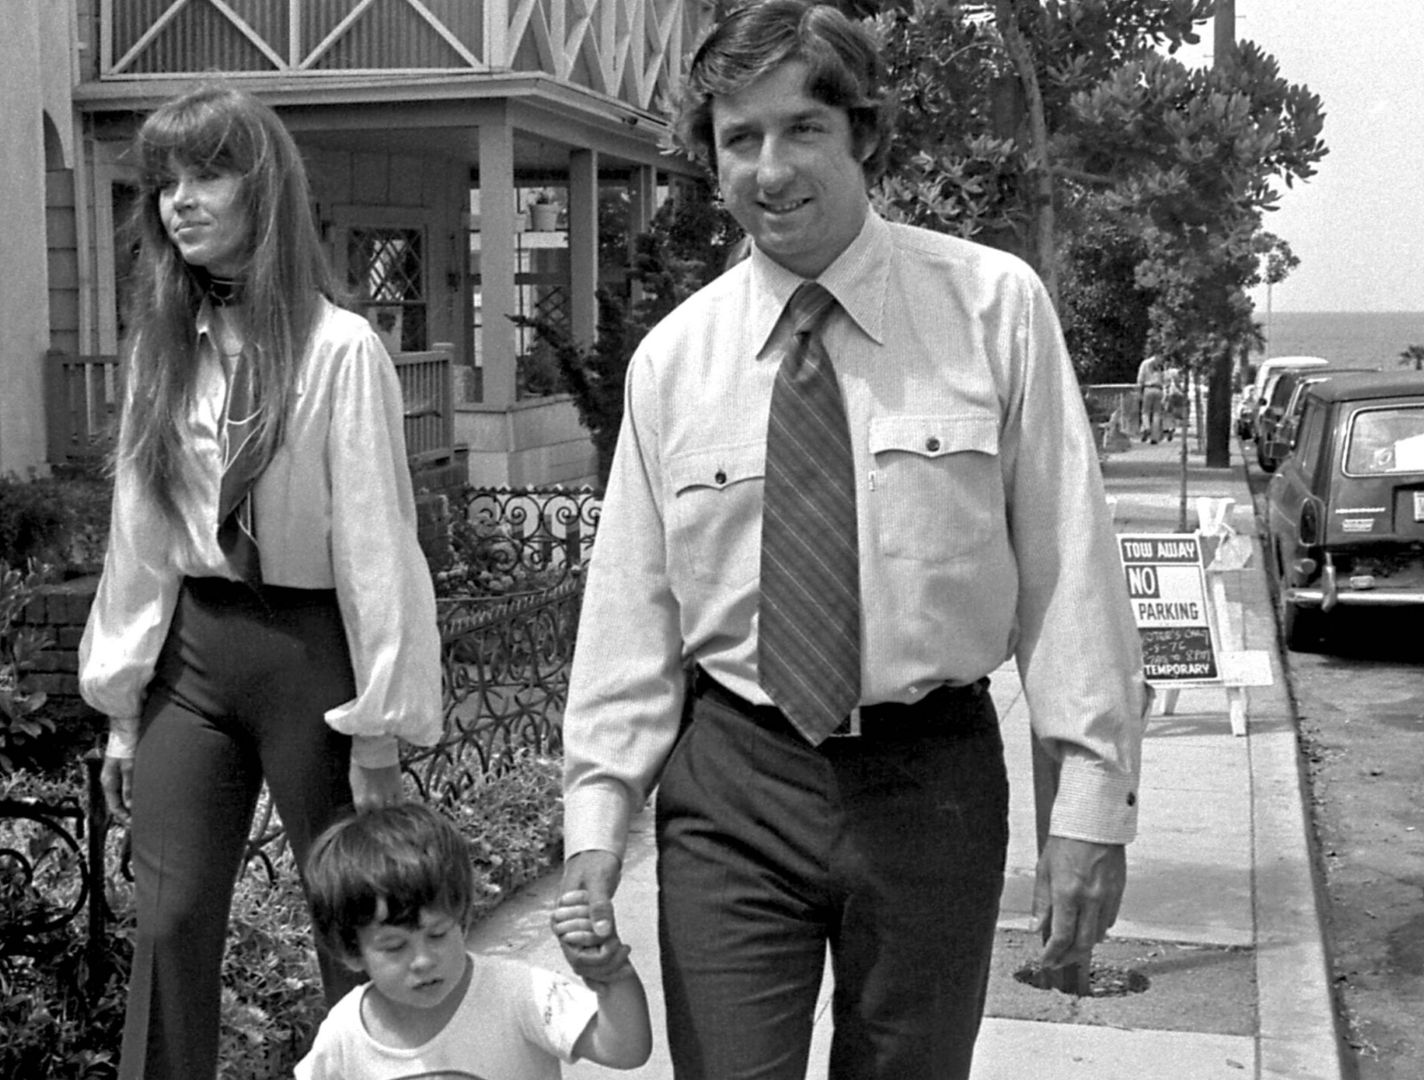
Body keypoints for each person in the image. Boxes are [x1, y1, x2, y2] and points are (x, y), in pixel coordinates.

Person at [553, 3, 1148, 1078]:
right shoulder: (675, 364)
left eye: (802, 130)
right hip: (736, 781)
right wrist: (594, 829)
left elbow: (1069, 574)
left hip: (932, 785)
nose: (769, 170)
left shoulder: (991, 309)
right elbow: (629, 619)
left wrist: (1092, 803)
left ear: (863, 136)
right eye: (740, 140)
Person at [76, 84, 444, 1078]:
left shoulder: (340, 350)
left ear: (264, 188)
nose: (179, 202)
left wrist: (379, 726)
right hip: (194, 657)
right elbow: (140, 536)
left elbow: (377, 543)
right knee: (171, 916)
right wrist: (120, 706)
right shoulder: (161, 353)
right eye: (163, 182)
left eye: (207, 174)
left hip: (311, 661)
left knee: (351, 924)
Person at [295, 802, 652, 1078]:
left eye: (437, 934)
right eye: (394, 947)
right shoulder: (345, 1035)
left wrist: (610, 973)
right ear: (352, 951)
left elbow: (625, 1048)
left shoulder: (517, 993)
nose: (423, 960)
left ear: (462, 920)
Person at [1136, 353, 1166, 441]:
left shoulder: (1144, 363)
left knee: (1145, 412)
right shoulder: (1161, 364)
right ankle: (1154, 438)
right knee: (1157, 413)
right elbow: (1164, 378)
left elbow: (1140, 379)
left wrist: (1139, 390)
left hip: (1148, 389)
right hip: (1158, 389)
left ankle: (1146, 427)